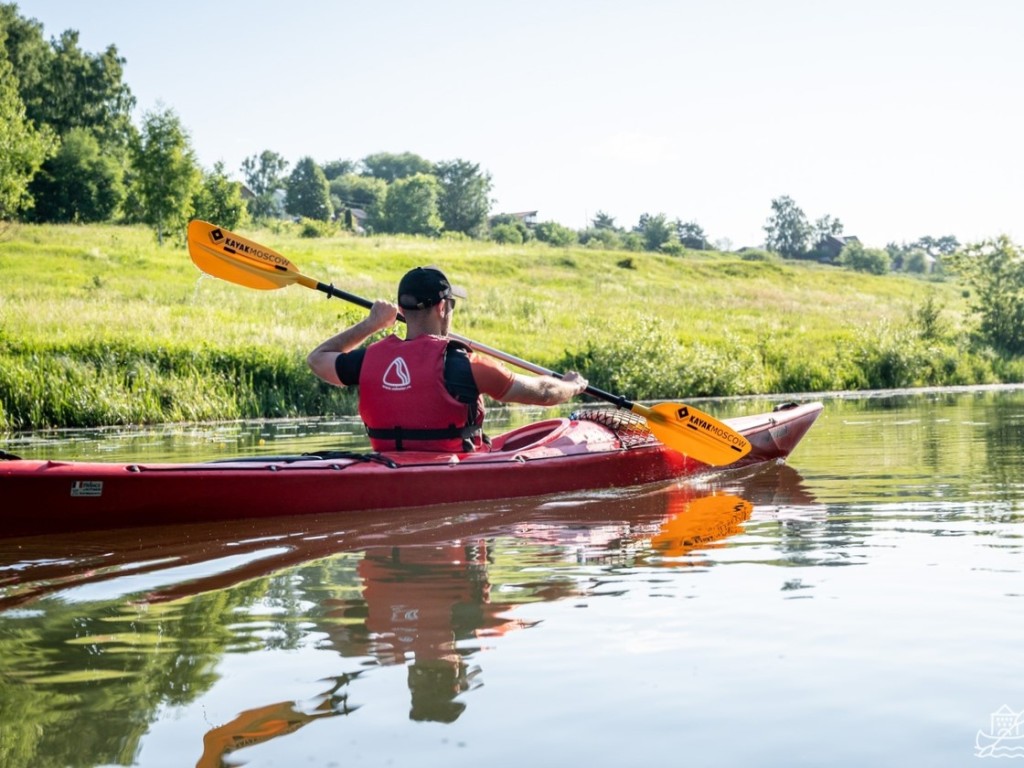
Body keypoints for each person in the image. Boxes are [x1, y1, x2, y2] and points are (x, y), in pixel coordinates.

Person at [307, 265, 588, 452]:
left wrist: (371, 325)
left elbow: (317, 359)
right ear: (442, 307)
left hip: (387, 468)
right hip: (453, 470)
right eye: (451, 305)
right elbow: (544, 393)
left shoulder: (369, 359)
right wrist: (572, 385)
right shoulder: (463, 364)